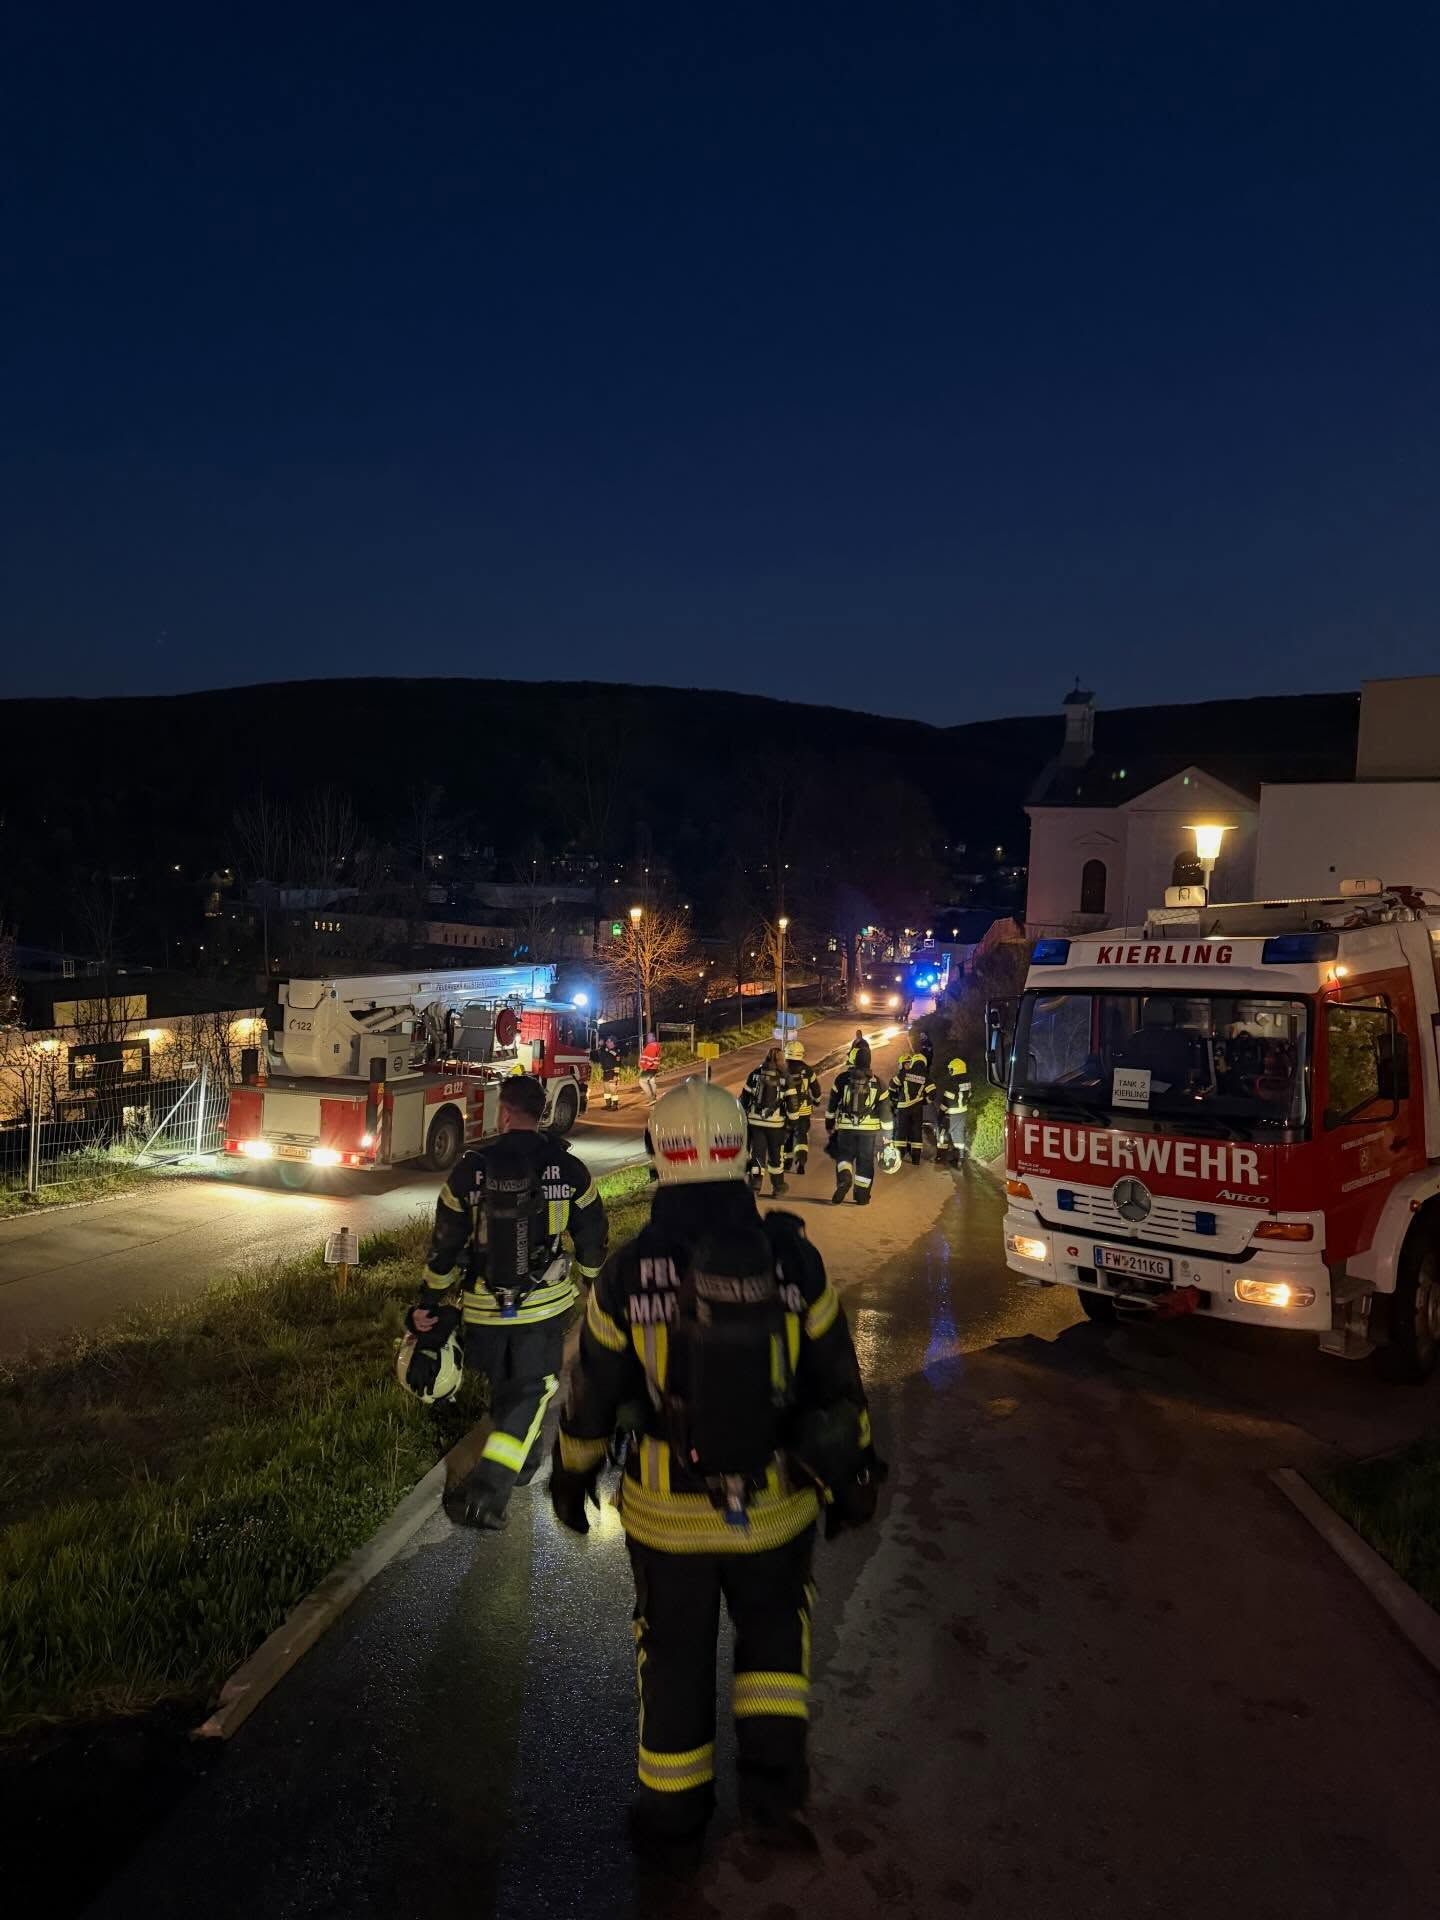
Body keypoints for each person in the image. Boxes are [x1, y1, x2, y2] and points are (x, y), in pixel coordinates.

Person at [550, 1080, 882, 1868]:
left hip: (667, 1518)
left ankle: (671, 1821)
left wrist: (572, 1478)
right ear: (739, 1153)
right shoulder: (793, 1259)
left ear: (658, 1157)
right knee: (774, 1656)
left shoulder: (628, 1273)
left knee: (672, 1660)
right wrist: (851, 1478)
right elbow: (839, 1383)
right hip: (777, 1509)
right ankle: (772, 1805)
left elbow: (591, 1394)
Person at [406, 1075, 607, 1530]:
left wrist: (430, 1301)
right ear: (539, 1113)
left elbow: (444, 1246)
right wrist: (594, 1283)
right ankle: (487, 1493)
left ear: (504, 1111)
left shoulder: (471, 1169)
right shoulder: (568, 1169)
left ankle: (524, 1467)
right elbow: (592, 1232)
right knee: (531, 1392)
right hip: (546, 1308)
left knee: (512, 1394)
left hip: (483, 1309)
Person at [824, 1041, 893, 1205]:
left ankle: (844, 1179)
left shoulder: (842, 1079)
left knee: (844, 1157)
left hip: (846, 1128)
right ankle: (861, 1196)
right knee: (865, 1162)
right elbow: (885, 1114)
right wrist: (888, 1138)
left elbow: (832, 1104)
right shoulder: (879, 1083)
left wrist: (829, 1123)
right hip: (869, 1132)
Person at [740, 1044, 795, 1196]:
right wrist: (793, 1124)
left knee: (757, 1154)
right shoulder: (785, 1078)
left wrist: (744, 1117)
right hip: (776, 1125)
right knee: (776, 1156)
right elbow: (792, 1105)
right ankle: (778, 1187)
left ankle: (755, 1185)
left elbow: (744, 1098)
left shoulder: (755, 1074)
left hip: (755, 1122)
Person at [782, 1038, 822, 1177]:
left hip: (785, 1108)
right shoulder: (808, 1070)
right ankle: (801, 1160)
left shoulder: (782, 1069)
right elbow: (816, 1088)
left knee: (787, 1134)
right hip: (803, 1109)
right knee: (801, 1134)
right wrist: (817, 1100)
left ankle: (787, 1161)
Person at [888, 1040, 930, 1168]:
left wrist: (894, 1101)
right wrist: (924, 1102)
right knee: (916, 1132)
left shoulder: (904, 1074)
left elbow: (892, 1086)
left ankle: (900, 1155)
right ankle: (915, 1157)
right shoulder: (923, 1075)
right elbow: (932, 1092)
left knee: (901, 1131)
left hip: (902, 1107)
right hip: (917, 1108)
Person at [930, 1054, 972, 1165]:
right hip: (963, 1112)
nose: (950, 1071)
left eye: (951, 1069)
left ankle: (940, 1156)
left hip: (952, 1114)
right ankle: (961, 1157)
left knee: (943, 1133)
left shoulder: (952, 1083)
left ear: (956, 1069)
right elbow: (969, 1096)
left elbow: (946, 1101)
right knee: (959, 1134)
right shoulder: (967, 1081)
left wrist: (940, 1114)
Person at [592, 1033, 622, 1111]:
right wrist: (600, 1047)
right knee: (606, 1090)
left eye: (608, 1041)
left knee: (613, 1090)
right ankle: (608, 1104)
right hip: (605, 1072)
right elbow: (599, 1057)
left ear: (613, 1042)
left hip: (612, 1073)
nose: (606, 1043)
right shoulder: (605, 1050)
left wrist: (616, 1074)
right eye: (607, 1041)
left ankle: (615, 1106)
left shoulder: (616, 1051)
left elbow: (618, 1064)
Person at [639, 1032, 663, 1104]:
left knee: (642, 1082)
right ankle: (654, 1098)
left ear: (653, 1038)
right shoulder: (655, 1045)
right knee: (652, 1082)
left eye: (649, 1037)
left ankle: (651, 1099)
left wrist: (645, 1067)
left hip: (649, 1067)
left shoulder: (652, 1045)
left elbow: (650, 1058)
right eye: (647, 1037)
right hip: (653, 1067)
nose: (648, 1038)